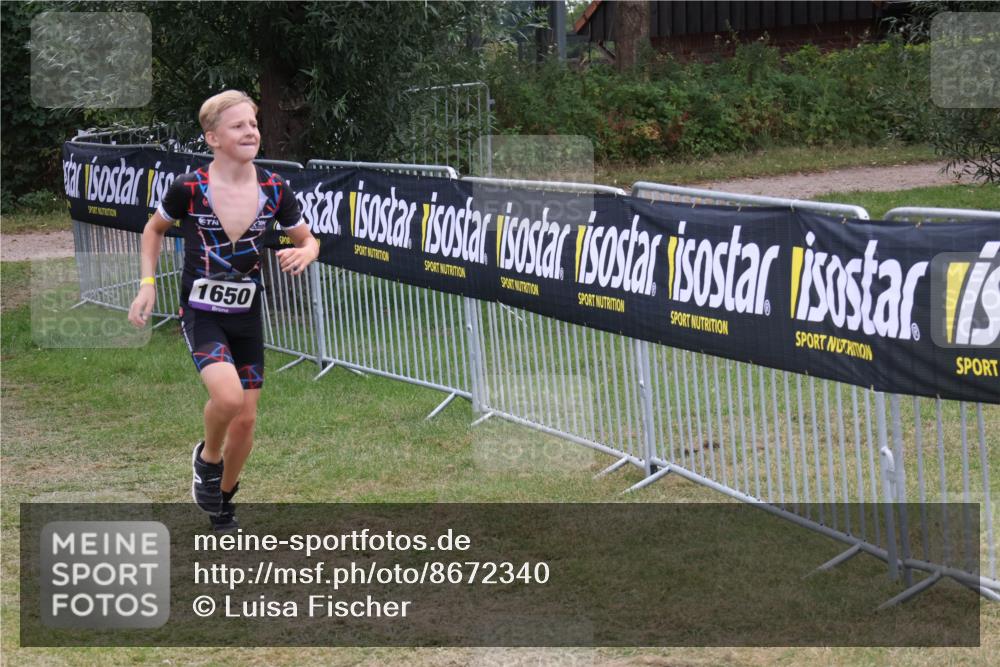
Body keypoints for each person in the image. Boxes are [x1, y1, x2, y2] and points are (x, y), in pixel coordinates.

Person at [128, 90, 318, 531]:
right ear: (212, 137)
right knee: (228, 398)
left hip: (247, 315)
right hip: (202, 312)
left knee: (247, 419)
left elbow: (308, 239)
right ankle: (208, 458)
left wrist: (305, 253)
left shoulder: (274, 188)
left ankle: (222, 500)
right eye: (238, 126)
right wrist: (146, 284)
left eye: (253, 124)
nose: (250, 131)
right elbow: (153, 230)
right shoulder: (190, 188)